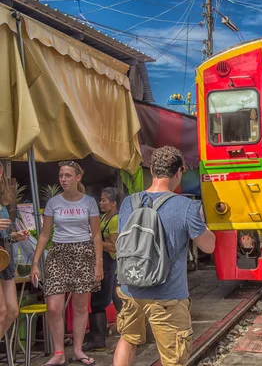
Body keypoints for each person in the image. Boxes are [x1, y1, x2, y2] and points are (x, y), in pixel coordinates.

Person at [113, 146, 215, 366]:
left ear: (153, 170)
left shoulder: (128, 203)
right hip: (168, 294)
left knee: (128, 339)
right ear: (179, 171)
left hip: (130, 288)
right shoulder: (186, 206)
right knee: (173, 358)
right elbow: (208, 247)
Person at [30, 161, 103, 366]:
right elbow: (45, 235)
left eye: (68, 175)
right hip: (58, 252)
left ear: (78, 177)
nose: (63, 179)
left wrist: (98, 264)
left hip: (83, 252)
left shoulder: (89, 202)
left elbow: (96, 235)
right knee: (53, 306)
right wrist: (35, 262)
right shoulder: (54, 203)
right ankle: (59, 352)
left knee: (80, 305)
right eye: (61, 175)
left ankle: (78, 350)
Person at [83, 187, 120, 352]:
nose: (101, 203)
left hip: (110, 266)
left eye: (104, 200)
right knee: (107, 300)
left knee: (99, 302)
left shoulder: (115, 220)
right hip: (104, 264)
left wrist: (93, 241)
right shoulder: (105, 217)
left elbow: (114, 247)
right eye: (100, 200)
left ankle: (98, 340)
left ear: (113, 203)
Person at [0, 162, 29, 341]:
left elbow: (4, 233)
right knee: (2, 311)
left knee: (12, 311)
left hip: (5, 254)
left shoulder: (2, 198)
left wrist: (14, 236)